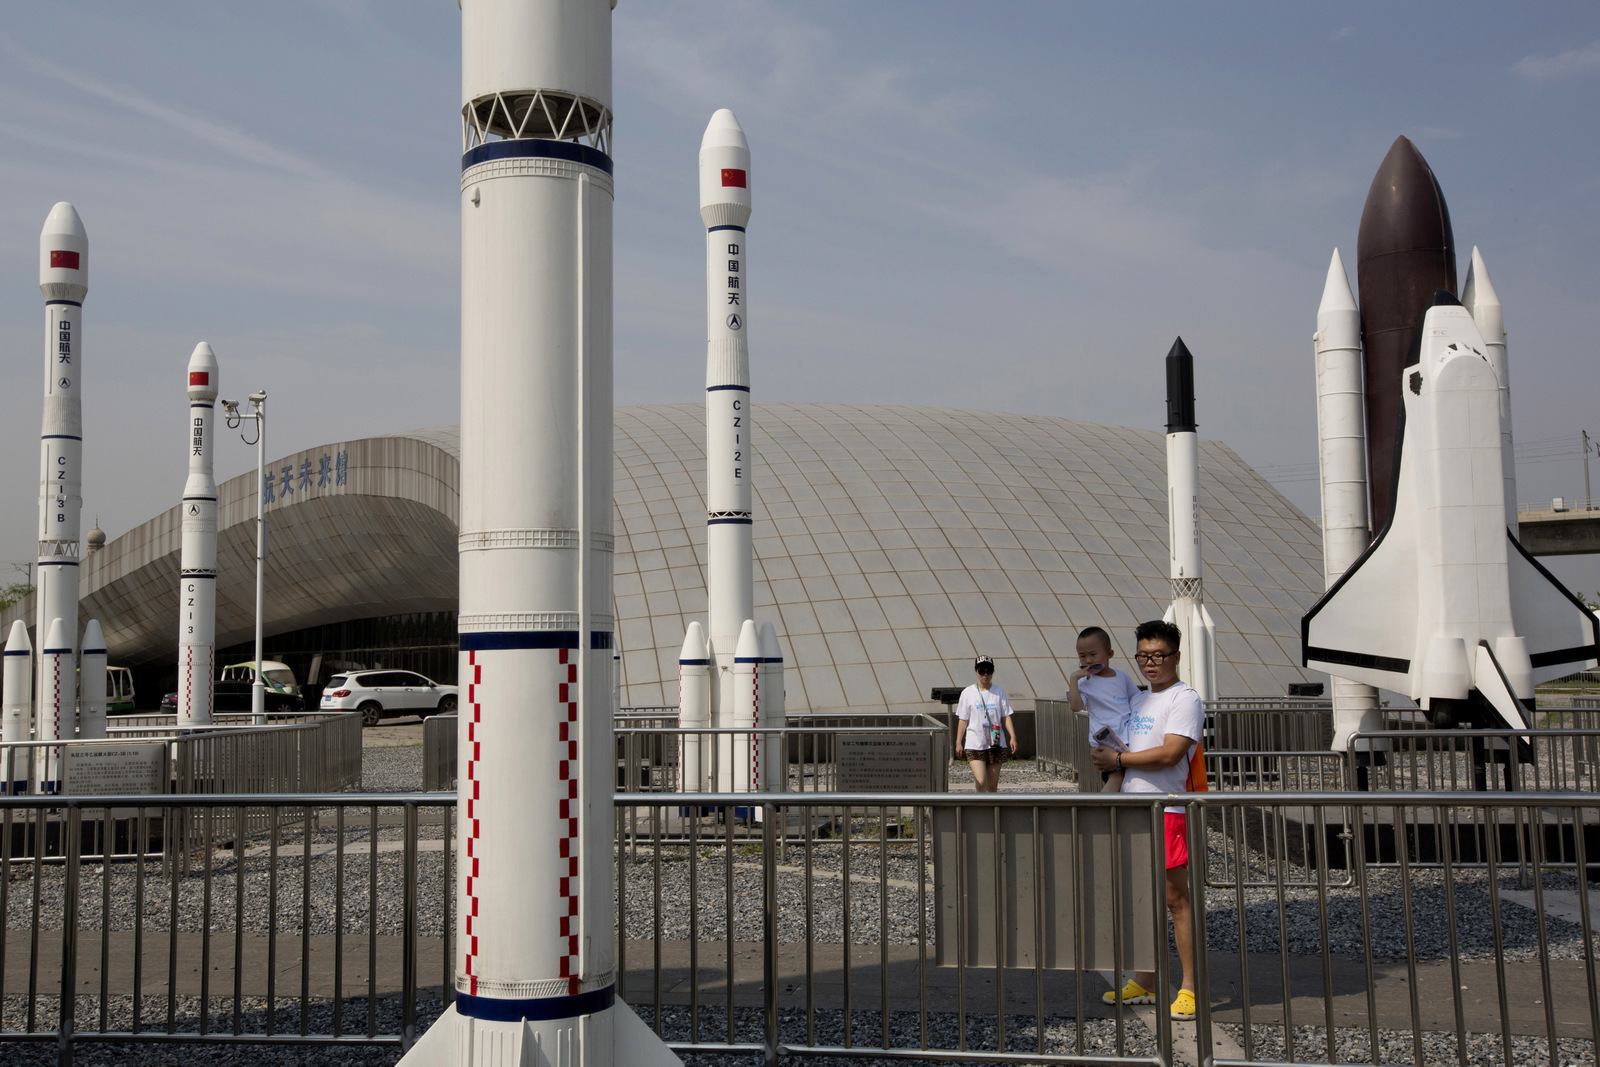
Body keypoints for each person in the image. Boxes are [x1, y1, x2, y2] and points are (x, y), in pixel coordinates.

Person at [1091, 619, 1203, 1021]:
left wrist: (1118, 758)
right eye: (1144, 656)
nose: (1151, 663)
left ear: (1176, 656)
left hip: (1167, 809)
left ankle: (1190, 986)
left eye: (1159, 656)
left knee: (1176, 899)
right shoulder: (1137, 701)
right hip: (1133, 808)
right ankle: (1147, 980)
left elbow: (1171, 754)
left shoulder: (1184, 699)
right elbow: (1128, 752)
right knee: (1140, 900)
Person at [1067, 625, 1141, 792]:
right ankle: (1102, 808)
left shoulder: (1122, 676)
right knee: (1117, 776)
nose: (1088, 660)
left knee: (1129, 777)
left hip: (1127, 736)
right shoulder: (1084, 682)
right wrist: (1074, 680)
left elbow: (1136, 699)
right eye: (1082, 656)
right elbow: (1075, 706)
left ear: (1109, 654)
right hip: (1106, 738)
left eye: (1093, 655)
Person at [954, 655, 1017, 793]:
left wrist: (1012, 736)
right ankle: (979, 805)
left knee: (993, 785)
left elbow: (1006, 716)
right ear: (976, 671)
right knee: (981, 781)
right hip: (974, 742)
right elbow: (963, 719)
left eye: (989, 671)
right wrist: (958, 741)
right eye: (982, 671)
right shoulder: (967, 693)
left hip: (995, 742)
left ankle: (991, 812)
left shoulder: (999, 692)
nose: (986, 675)